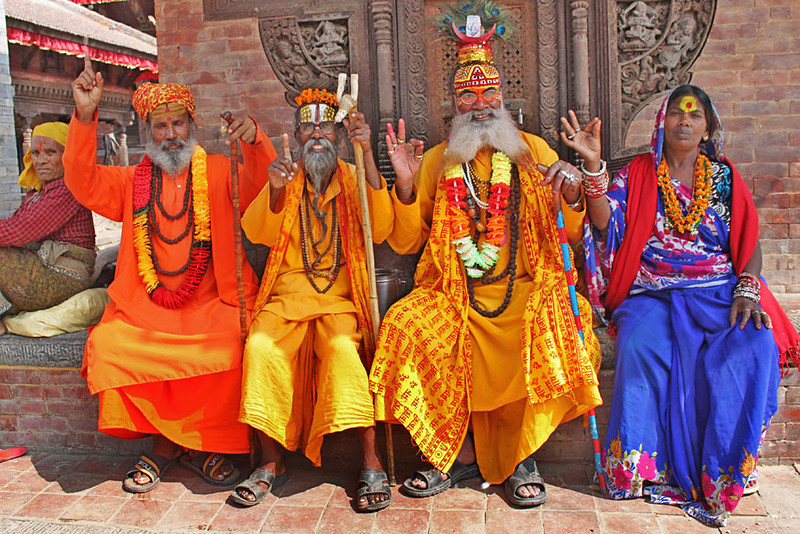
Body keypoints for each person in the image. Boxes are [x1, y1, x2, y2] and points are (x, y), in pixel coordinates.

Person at [369, 17, 602, 507]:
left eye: (488, 95)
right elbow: (409, 242)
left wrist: (576, 191)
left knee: (552, 322)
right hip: (453, 292)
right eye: (468, 98)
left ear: (503, 100)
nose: (480, 106)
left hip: (524, 286)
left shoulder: (531, 152)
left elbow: (573, 232)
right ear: (454, 106)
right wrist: (407, 187)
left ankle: (521, 458)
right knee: (405, 326)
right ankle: (457, 455)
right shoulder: (436, 160)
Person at [571, 84, 799, 526]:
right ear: (662, 121)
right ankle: (641, 470)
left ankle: (729, 470)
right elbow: (604, 222)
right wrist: (594, 167)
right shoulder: (639, 172)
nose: (684, 122)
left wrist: (747, 289)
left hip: (717, 291)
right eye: (677, 113)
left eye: (695, 116)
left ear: (707, 127)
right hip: (652, 291)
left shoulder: (723, 179)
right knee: (641, 345)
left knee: (753, 346)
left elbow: (749, 241)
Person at [64, 56, 277, 493]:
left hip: (211, 302)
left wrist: (256, 140)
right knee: (108, 346)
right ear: (148, 134)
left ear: (191, 125)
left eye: (178, 124)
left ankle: (182, 447)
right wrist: (86, 117)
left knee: (233, 347)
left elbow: (262, 188)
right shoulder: (131, 181)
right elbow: (82, 181)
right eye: (160, 128)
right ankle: (179, 445)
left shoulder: (218, 170)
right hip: (147, 309)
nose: (171, 135)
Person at [232, 88, 392, 512]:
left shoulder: (352, 175)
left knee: (342, 350)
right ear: (298, 135)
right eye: (309, 127)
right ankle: (270, 463)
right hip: (286, 299)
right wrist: (276, 189)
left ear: (338, 134)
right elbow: (258, 234)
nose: (317, 133)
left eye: (325, 126)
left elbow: (381, 228)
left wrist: (366, 154)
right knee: (259, 346)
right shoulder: (287, 177)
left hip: (338, 301)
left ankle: (371, 460)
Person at [0, 121, 96, 335]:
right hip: (43, 267)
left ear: (66, 155)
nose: (41, 161)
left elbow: (19, 230)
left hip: (63, 277)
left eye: (50, 152)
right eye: (35, 153)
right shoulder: (39, 192)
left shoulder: (67, 189)